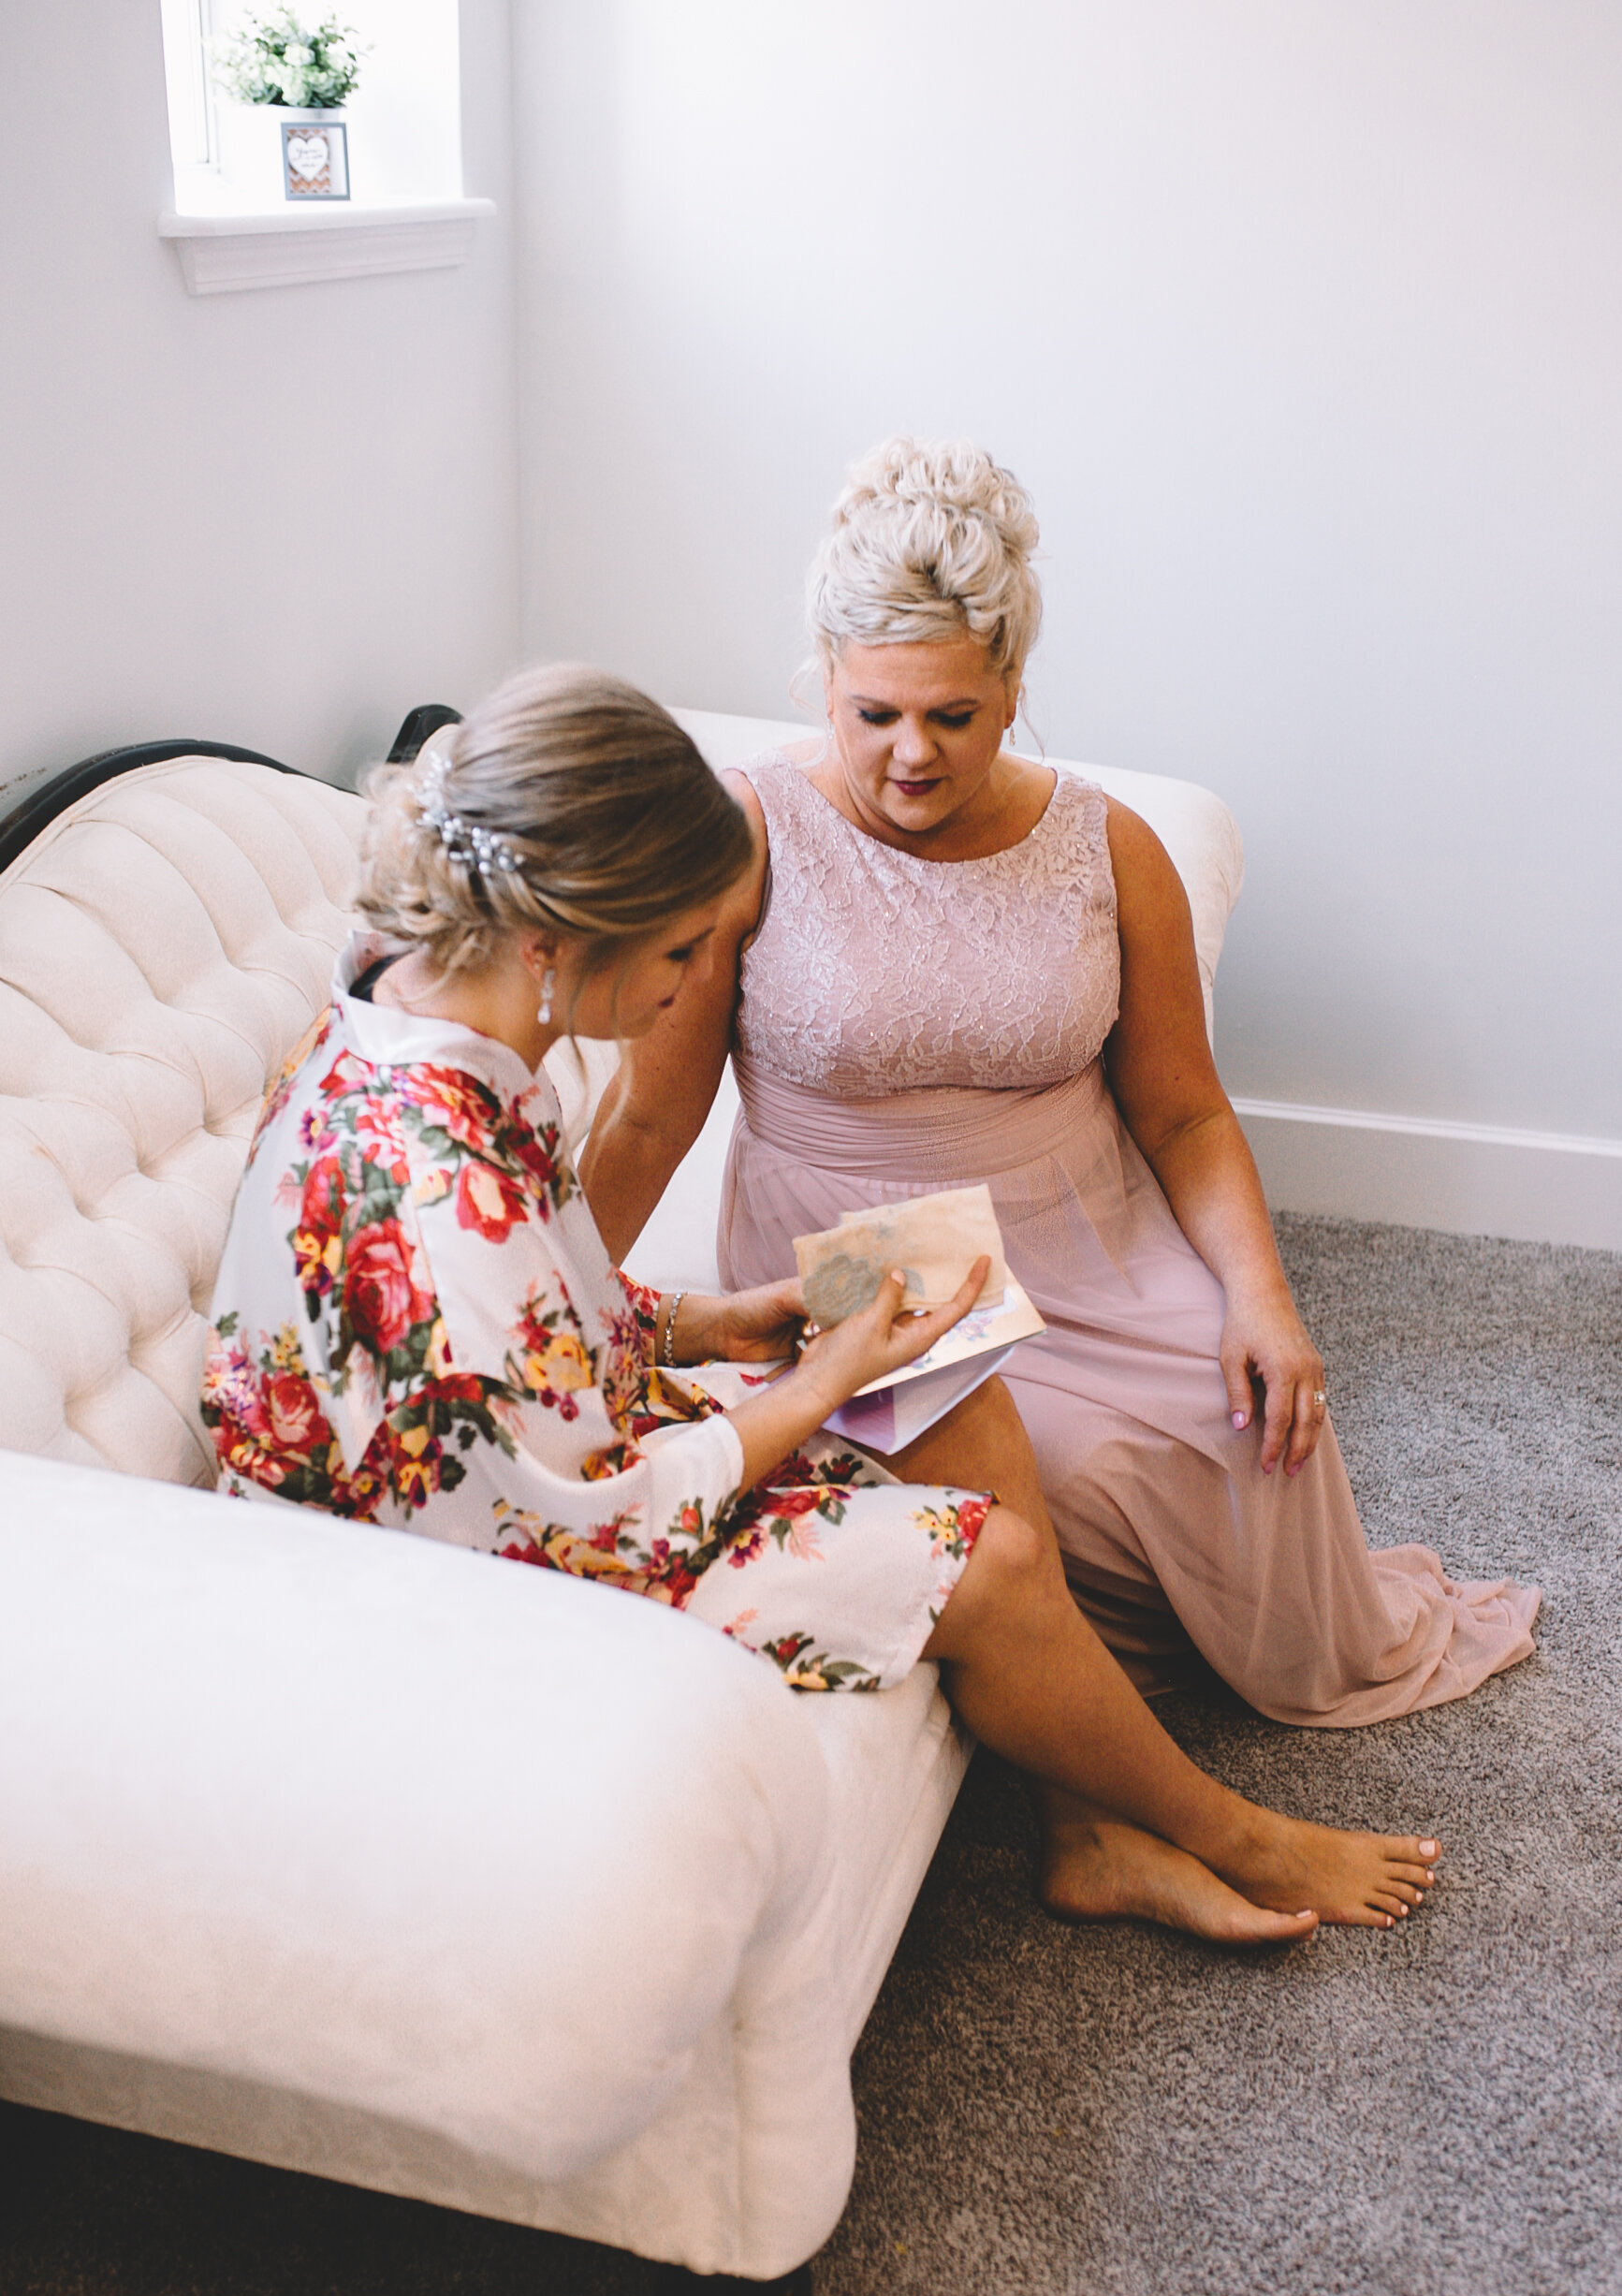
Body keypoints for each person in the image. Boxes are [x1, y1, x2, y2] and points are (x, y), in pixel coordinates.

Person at [203, 662, 1442, 1938]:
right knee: (998, 1561)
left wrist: (720, 1321)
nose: (694, 986)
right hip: (461, 1574)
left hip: (509, 1461)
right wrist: (818, 1380)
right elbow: (570, 1520)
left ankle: (1089, 1834)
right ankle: (1232, 1831)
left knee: (933, 1339)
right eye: (681, 949)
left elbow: (521, 1345)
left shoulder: (420, 1013)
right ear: (552, 944)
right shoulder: (437, 1184)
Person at [585, 442, 1540, 1728]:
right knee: (1073, 1481)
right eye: (874, 715)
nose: (911, 755)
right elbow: (653, 1111)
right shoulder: (748, 830)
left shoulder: (1106, 843)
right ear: (823, 685)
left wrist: (1261, 1297)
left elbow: (1185, 1111)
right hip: (869, 1251)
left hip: (1077, 1226)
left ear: (1014, 688)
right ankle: (1095, 1785)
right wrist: (554, 1307)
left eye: (953, 716)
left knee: (1255, 1447)